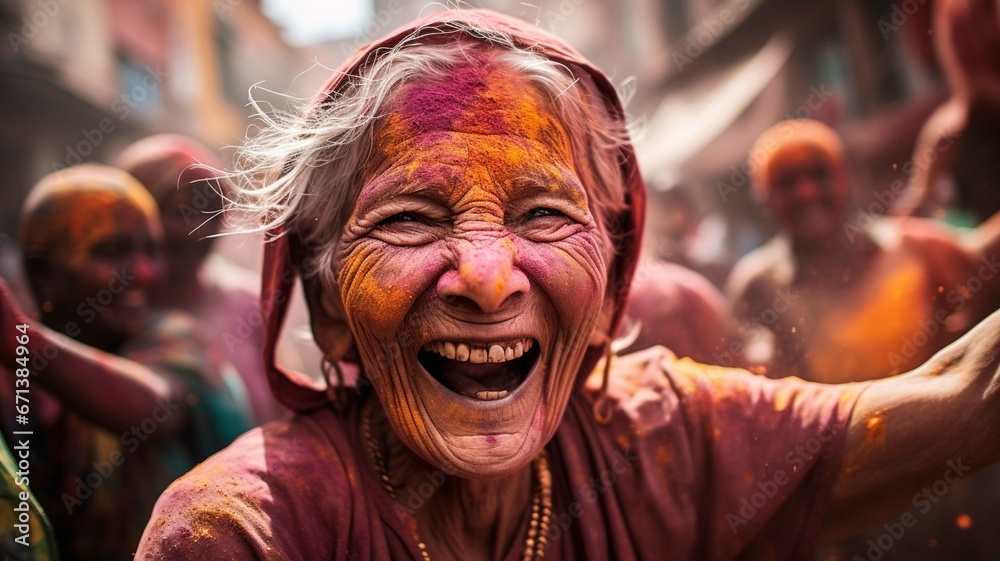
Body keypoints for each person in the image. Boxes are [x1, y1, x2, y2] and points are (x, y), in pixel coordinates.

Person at [136, 10, 1000, 560]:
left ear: (611, 278)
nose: (484, 278)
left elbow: (963, 397)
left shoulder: (660, 436)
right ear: (326, 307)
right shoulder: (242, 534)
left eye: (544, 213)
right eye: (408, 219)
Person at [0, 164, 252, 560]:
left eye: (151, 250)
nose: (145, 272)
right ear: (44, 273)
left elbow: (157, 406)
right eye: (113, 251)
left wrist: (15, 336)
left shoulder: (176, 338)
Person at [726, 118, 999, 383]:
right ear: (763, 196)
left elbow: (985, 291)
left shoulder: (913, 247)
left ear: (845, 176)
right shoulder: (759, 286)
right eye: (786, 182)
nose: (807, 192)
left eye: (819, 173)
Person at [117, 134, 284, 424]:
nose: (199, 230)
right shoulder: (111, 311)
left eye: (211, 211)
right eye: (180, 211)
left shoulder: (250, 303)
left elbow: (283, 410)